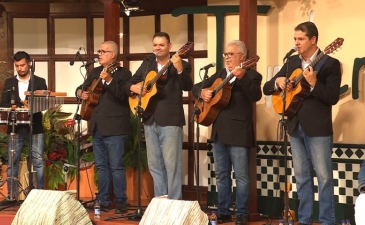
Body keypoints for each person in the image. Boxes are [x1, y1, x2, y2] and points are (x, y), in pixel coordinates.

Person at [263, 22, 341, 225]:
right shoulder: (291, 63)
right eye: (295, 39)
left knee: (324, 178)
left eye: (301, 39)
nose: (296, 43)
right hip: (295, 127)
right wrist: (278, 82)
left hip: (318, 128)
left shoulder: (330, 64)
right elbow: (266, 87)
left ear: (313, 40)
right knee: (301, 177)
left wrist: (314, 83)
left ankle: (326, 221)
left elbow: (332, 97)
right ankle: (304, 220)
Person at [192, 40, 262, 224]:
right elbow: (195, 87)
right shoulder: (220, 74)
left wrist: (243, 77)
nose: (227, 57)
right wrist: (204, 92)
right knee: (222, 175)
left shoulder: (253, 75)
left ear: (243, 57)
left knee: (241, 176)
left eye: (231, 54)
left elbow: (256, 95)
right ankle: (223, 211)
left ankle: (241, 213)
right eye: (226, 54)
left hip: (239, 131)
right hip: (218, 132)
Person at [124, 32, 192, 200]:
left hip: (170, 120)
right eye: (155, 45)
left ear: (169, 46)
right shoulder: (147, 64)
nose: (158, 48)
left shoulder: (180, 63)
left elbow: (188, 85)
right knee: (155, 165)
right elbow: (128, 83)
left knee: (172, 165)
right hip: (149, 118)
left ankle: (174, 203)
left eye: (161, 45)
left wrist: (180, 68)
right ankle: (161, 203)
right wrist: (133, 88)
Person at [76, 41, 131, 214]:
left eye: (103, 51)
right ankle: (104, 199)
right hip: (97, 125)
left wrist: (109, 80)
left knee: (116, 166)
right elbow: (81, 88)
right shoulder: (95, 71)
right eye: (99, 51)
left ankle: (121, 200)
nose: (99, 54)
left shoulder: (124, 74)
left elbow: (123, 96)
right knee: (101, 166)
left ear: (113, 55)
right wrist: (80, 93)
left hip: (115, 126)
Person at [0, 51, 46, 206]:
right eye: (17, 66)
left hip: (35, 127)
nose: (20, 68)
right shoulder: (10, 82)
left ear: (30, 63)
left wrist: (31, 104)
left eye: (23, 65)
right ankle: (11, 197)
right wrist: (19, 104)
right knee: (13, 162)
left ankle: (39, 197)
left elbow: (44, 103)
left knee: (38, 161)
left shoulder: (39, 81)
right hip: (15, 127)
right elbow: (4, 103)